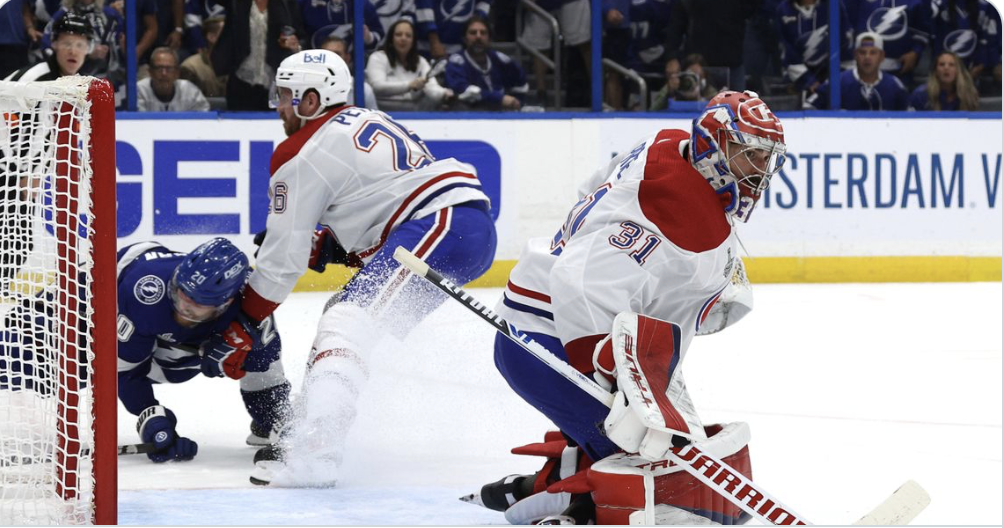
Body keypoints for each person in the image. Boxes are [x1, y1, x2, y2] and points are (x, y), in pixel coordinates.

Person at [469, 91, 785, 524]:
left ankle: (541, 489)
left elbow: (591, 194)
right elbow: (577, 283)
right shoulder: (678, 214)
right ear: (714, 145)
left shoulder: (668, 142)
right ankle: (578, 511)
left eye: (766, 159)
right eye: (749, 155)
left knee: (660, 449)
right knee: (664, 479)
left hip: (548, 330)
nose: (760, 171)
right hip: (551, 344)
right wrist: (613, 371)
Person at [203, 49, 496, 485]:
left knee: (347, 321)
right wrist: (332, 247)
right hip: (461, 227)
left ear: (311, 99)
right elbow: (386, 198)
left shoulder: (299, 150)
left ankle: (318, 450)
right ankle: (311, 429)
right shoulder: (361, 117)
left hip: (440, 225)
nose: (279, 105)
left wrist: (245, 319)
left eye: (285, 95)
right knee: (344, 316)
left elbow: (281, 262)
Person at [117, 238, 291, 463]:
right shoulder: (145, 295)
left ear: (225, 304)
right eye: (180, 295)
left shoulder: (251, 309)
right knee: (78, 359)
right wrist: (152, 419)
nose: (183, 309)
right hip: (98, 290)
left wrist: (273, 410)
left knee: (254, 350)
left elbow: (265, 363)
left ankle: (269, 417)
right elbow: (122, 371)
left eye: (197, 306)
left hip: (180, 336)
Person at [211, 0, 303, 111]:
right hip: (241, 80)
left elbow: (301, 35)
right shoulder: (236, 3)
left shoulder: (287, 3)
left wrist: (294, 44)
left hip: (275, 81)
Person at [365, 18, 453, 111]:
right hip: (381, 113)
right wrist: (409, 85)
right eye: (398, 35)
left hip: (413, 114)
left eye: (408, 36)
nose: (403, 38)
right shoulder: (378, 57)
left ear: (413, 41)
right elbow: (377, 87)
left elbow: (431, 87)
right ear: (391, 39)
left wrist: (445, 94)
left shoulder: (421, 61)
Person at [805, 32, 909, 110]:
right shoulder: (836, 82)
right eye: (862, 52)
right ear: (855, 55)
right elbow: (808, 108)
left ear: (881, 56)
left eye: (873, 53)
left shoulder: (895, 86)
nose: (867, 57)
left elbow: (910, 120)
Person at [443, 15, 528, 111]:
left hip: (499, 116)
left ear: (489, 38)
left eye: (483, 33)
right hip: (467, 115)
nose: (478, 36)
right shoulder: (457, 62)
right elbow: (462, 90)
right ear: (464, 38)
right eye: (473, 33)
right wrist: (499, 98)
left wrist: (517, 102)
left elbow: (520, 81)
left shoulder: (500, 60)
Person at [42, 0, 125, 83]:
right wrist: (87, 52)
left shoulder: (111, 14)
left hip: (108, 79)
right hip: (70, 81)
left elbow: (122, 48)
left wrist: (113, 51)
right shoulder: (63, 15)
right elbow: (46, 45)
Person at [4, 13, 92, 82]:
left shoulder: (83, 86)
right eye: (67, 44)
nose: (73, 52)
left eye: (80, 45)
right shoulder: (32, 78)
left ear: (88, 49)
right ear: (54, 44)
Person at [137, 47, 211, 111]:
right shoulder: (138, 91)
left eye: (169, 69)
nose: (164, 73)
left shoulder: (190, 91)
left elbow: (205, 119)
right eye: (159, 68)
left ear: (177, 73)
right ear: (150, 72)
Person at [415, 0, 490, 59]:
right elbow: (423, 7)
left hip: (461, 46)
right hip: (428, 46)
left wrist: (475, 25)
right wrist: (433, 40)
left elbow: (484, 3)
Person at [319, 35, 379, 109]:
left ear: (347, 58)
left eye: (337, 54)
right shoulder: (310, 85)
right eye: (327, 54)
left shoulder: (364, 89)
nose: (332, 58)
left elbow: (372, 118)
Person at [298, 0, 384, 50]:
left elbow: (378, 34)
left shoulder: (363, 5)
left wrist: (368, 37)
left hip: (352, 66)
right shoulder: (305, 3)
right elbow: (297, 31)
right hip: (313, 61)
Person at [909, 51, 979, 110]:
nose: (946, 68)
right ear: (935, 71)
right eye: (942, 64)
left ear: (958, 71)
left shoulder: (969, 94)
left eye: (951, 65)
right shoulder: (920, 95)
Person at [180, 15, 228, 98]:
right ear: (211, 37)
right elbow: (190, 103)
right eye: (226, 34)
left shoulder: (238, 65)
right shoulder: (191, 68)